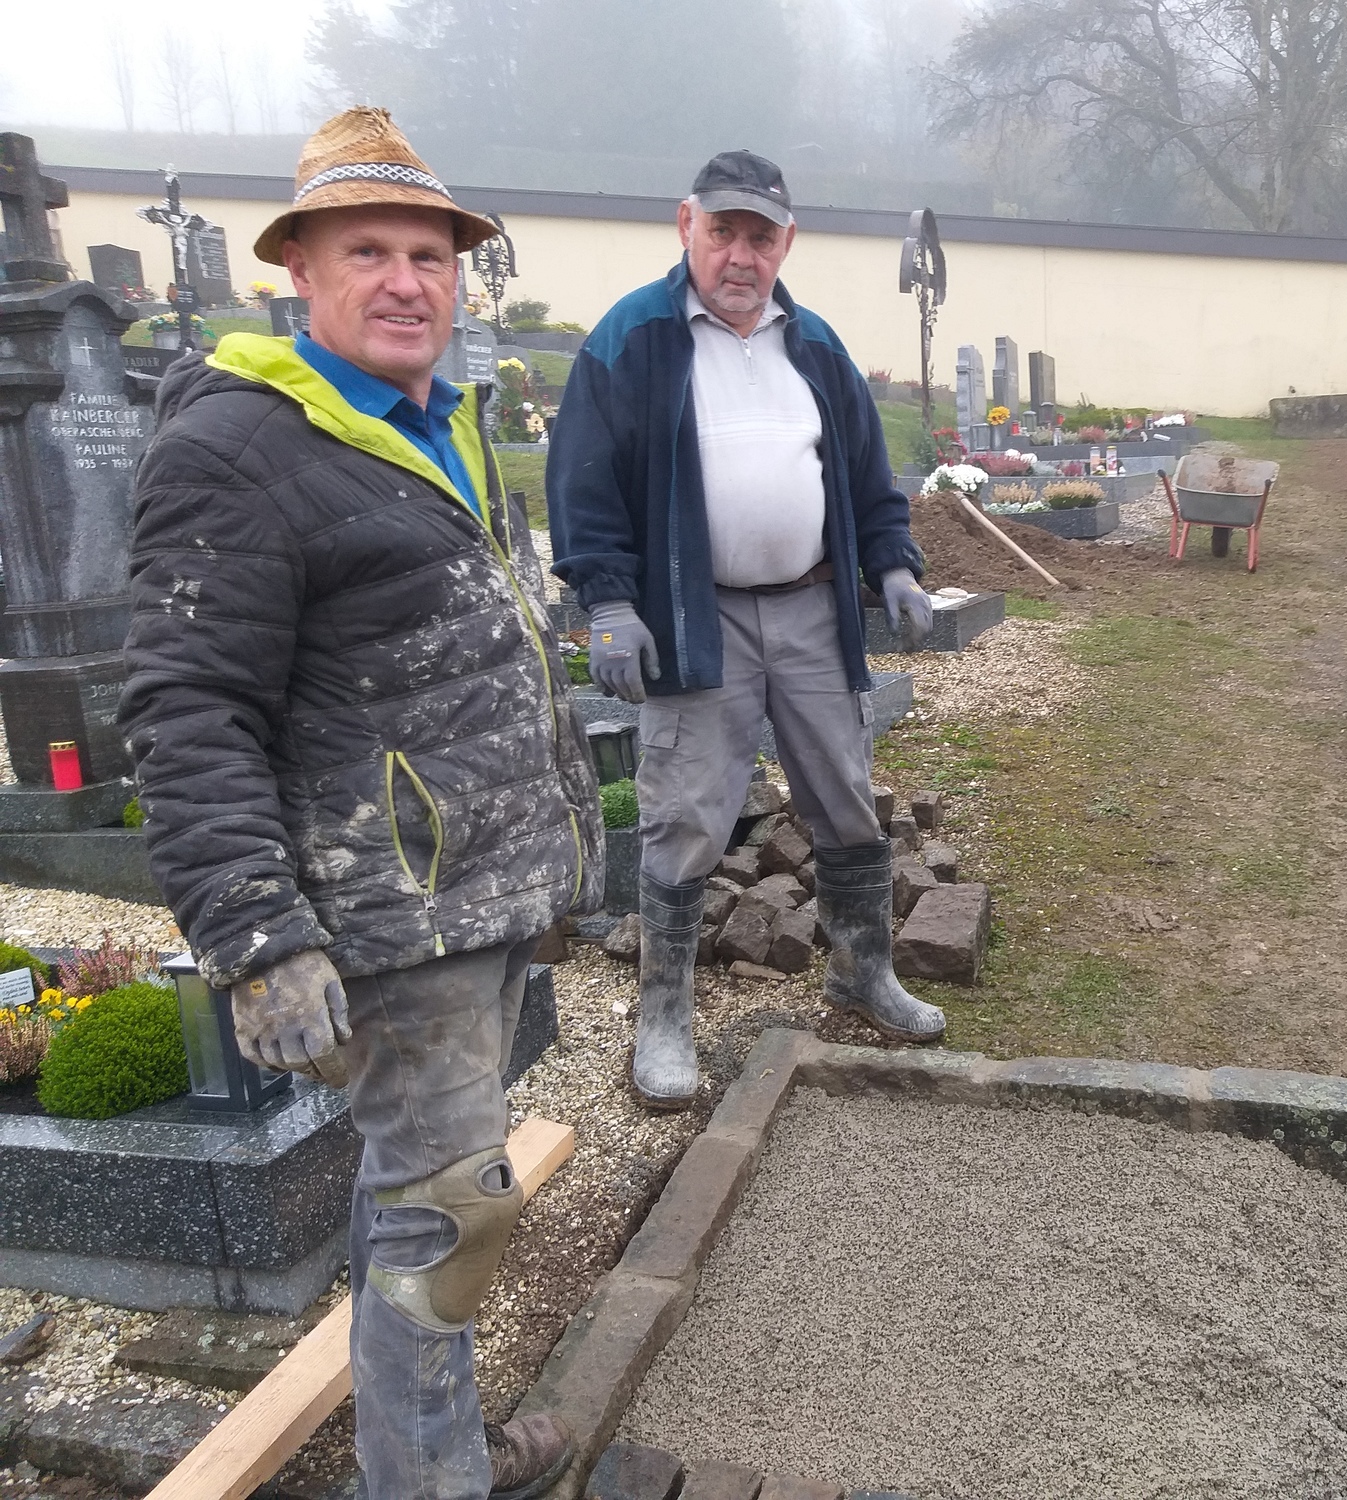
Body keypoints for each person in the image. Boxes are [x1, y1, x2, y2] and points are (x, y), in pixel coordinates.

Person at [119, 107, 602, 1500]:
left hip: (475, 893)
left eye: (430, 255)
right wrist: (259, 936)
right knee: (447, 1216)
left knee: (418, 1203)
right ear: (301, 277)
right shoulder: (242, 451)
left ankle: (434, 1442)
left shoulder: (426, 420)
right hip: (397, 913)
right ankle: (433, 1478)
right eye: (370, 252)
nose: (408, 280)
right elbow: (187, 709)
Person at [549, 149, 943, 1110]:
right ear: (686, 224)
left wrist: (891, 563)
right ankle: (665, 1018)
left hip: (811, 610)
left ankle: (861, 970)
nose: (739, 252)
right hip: (697, 615)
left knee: (847, 797)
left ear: (786, 243)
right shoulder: (632, 341)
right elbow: (584, 483)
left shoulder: (814, 346)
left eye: (759, 235)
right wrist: (607, 601)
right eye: (722, 230)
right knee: (684, 814)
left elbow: (864, 471)